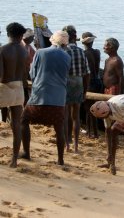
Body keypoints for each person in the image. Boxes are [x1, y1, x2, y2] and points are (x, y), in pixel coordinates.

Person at [16, 31, 71, 168]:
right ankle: (60, 160)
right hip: (58, 99)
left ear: (52, 41)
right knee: (59, 128)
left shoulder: (40, 52)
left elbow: (32, 73)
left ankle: (27, 153)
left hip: (39, 96)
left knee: (24, 120)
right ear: (65, 44)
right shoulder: (66, 56)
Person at [0, 22, 28, 168]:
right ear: (21, 35)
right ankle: (14, 160)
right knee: (16, 124)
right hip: (18, 88)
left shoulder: (3, 50)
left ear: (7, 34)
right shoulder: (24, 51)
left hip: (5, 87)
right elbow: (24, 73)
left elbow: (1, 76)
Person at [62, 25, 90, 153]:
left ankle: (67, 143)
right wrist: (85, 90)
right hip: (78, 82)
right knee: (76, 115)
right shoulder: (80, 51)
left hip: (66, 82)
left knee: (66, 114)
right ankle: (76, 145)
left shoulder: (62, 51)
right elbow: (87, 73)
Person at [81, 32, 102, 138]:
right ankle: (95, 132)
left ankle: (90, 132)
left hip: (90, 83)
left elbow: (85, 71)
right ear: (92, 41)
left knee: (88, 109)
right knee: (95, 108)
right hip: (98, 80)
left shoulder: (84, 53)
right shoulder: (97, 52)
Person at [22, 28, 36, 105]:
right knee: (25, 96)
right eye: (32, 37)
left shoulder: (29, 46)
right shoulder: (22, 46)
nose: (33, 39)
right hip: (22, 74)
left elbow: (35, 56)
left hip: (28, 73)